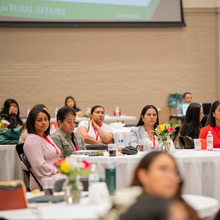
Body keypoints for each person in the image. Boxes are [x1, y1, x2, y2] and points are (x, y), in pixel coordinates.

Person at [24, 107, 65, 191]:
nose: (44, 123)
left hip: (54, 174)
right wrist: (56, 171)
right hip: (44, 178)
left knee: (78, 175)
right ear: (32, 122)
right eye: (39, 120)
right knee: (72, 179)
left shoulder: (46, 137)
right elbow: (39, 166)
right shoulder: (32, 140)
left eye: (46, 119)